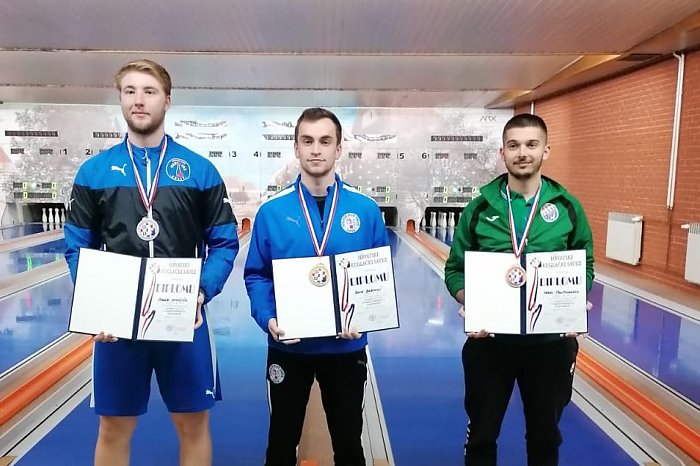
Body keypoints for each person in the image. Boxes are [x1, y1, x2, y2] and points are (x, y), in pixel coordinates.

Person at [64, 59, 239, 466]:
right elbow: (77, 247)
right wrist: (95, 304)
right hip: (118, 325)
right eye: (130, 91)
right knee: (113, 427)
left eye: (149, 92)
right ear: (120, 99)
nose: (139, 101)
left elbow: (224, 243)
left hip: (184, 318)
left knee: (193, 424)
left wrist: (200, 292)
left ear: (167, 101)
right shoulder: (94, 173)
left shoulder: (199, 171)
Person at [444, 113, 594, 466]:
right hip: (490, 342)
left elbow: (584, 264)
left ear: (546, 150)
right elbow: (454, 270)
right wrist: (470, 300)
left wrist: (573, 301)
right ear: (502, 153)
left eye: (531, 144)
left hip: (550, 345)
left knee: (545, 438)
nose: (522, 152)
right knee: (481, 437)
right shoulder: (479, 208)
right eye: (513, 145)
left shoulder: (567, 207)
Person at [244, 107, 388, 466]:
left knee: (349, 447)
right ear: (296, 148)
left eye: (325, 141)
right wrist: (269, 318)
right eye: (307, 141)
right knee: (280, 446)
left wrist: (365, 318)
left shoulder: (366, 209)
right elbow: (257, 274)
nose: (316, 149)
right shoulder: (271, 212)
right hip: (289, 348)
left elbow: (378, 276)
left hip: (346, 348)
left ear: (339, 148)